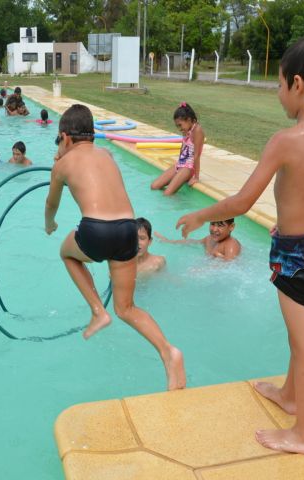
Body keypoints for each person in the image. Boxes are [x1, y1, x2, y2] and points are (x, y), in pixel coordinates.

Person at [175, 35, 304, 454]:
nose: (279, 94)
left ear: (297, 84)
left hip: (296, 256)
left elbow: (242, 201)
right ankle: (290, 395)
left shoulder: (287, 140)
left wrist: (199, 216)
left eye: (279, 85)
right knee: (301, 329)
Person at [44, 104, 186, 391]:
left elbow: (52, 203)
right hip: (127, 231)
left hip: (97, 229)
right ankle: (169, 353)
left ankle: (98, 311)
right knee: (127, 308)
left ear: (65, 137)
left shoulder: (62, 165)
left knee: (66, 253)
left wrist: (50, 224)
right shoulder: (106, 154)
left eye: (59, 141)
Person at [151, 102, 204, 196]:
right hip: (180, 164)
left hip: (189, 167)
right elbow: (183, 148)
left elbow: (196, 155)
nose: (179, 128)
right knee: (154, 186)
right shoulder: (187, 129)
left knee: (167, 194)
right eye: (177, 126)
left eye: (180, 125)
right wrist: (178, 167)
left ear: (188, 119)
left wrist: (196, 177)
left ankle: (182, 204)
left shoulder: (197, 130)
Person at [155, 219, 241, 261]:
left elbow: (230, 267)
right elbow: (193, 242)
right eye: (212, 224)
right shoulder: (210, 238)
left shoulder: (231, 246)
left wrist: (200, 271)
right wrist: (169, 241)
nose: (214, 229)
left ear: (231, 227)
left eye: (220, 225)